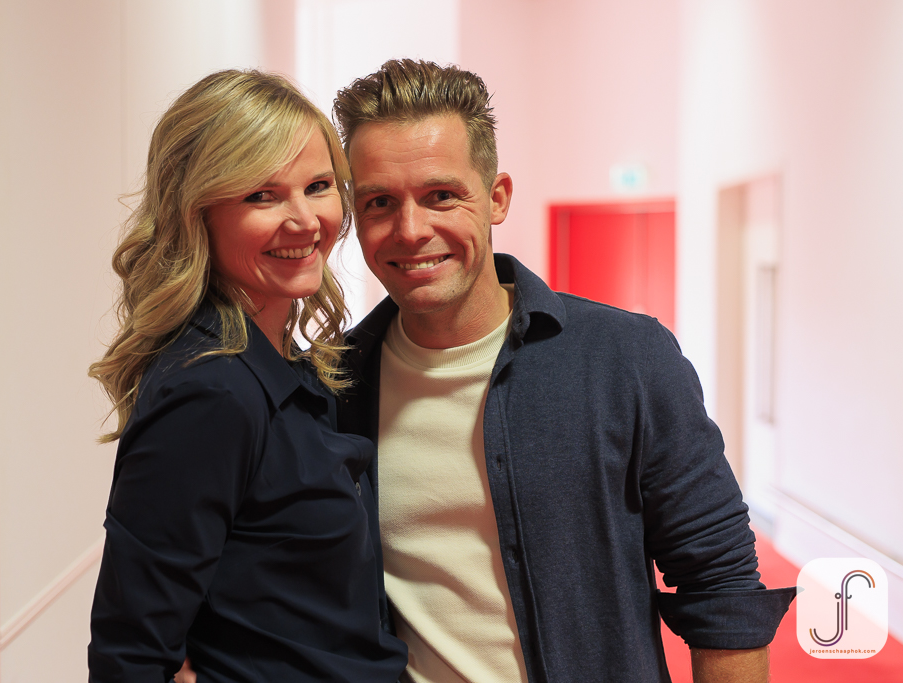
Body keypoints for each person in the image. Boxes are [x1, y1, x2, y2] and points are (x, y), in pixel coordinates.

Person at [330, 59, 797, 683]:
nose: (411, 230)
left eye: (441, 196)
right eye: (380, 202)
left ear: (497, 198)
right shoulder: (333, 387)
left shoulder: (626, 360)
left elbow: (721, 585)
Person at [87, 69, 407, 682]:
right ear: (196, 213)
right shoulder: (211, 389)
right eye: (262, 195)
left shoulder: (284, 364)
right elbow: (131, 655)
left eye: (318, 186)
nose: (305, 220)